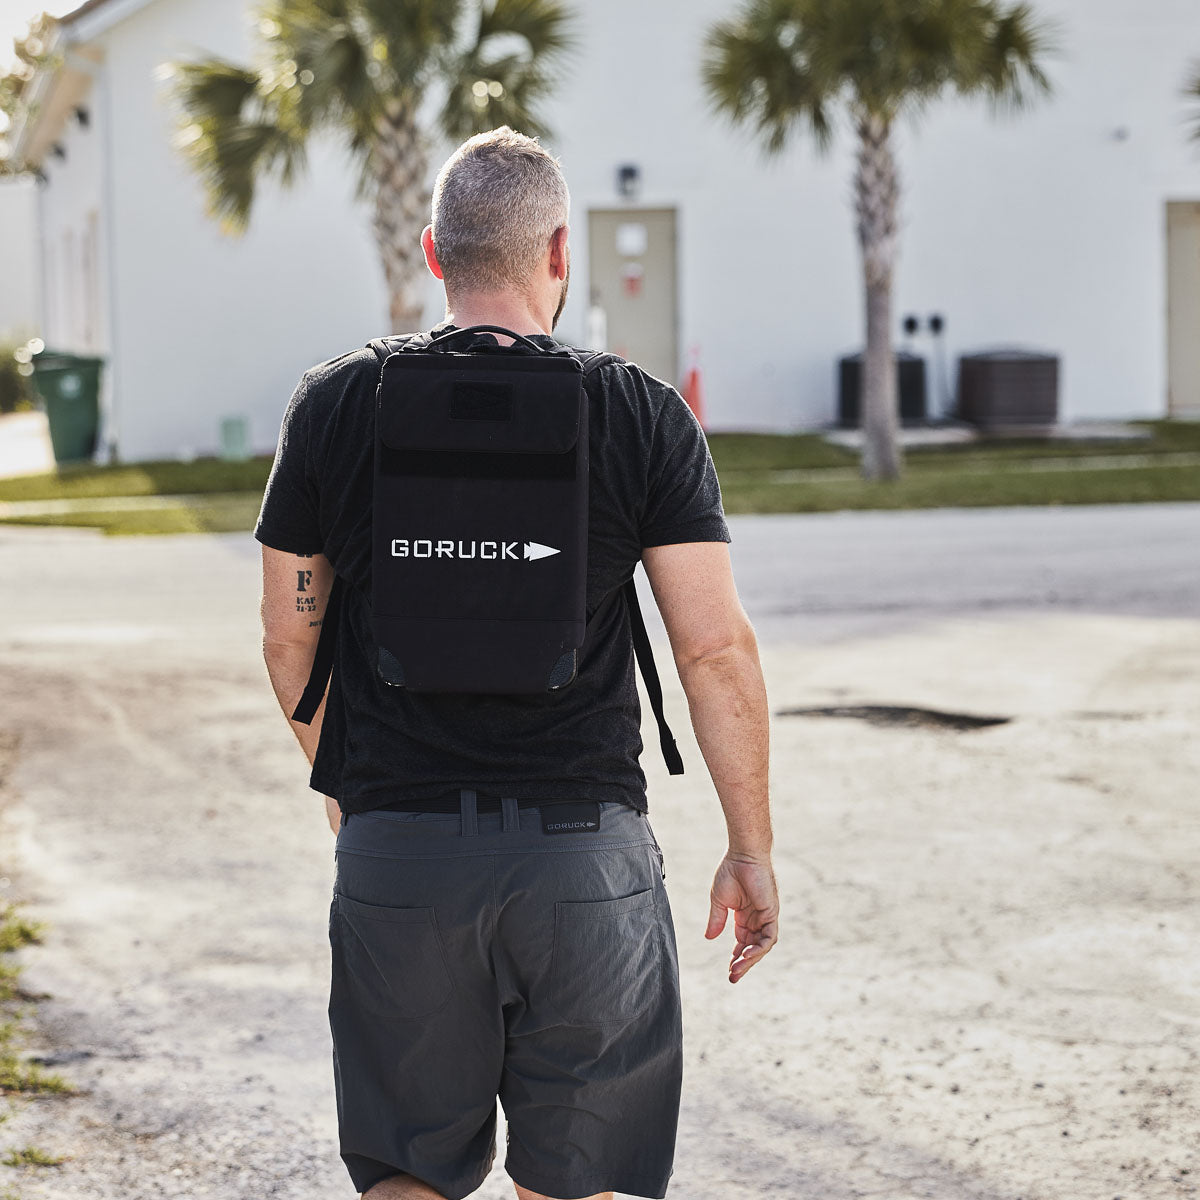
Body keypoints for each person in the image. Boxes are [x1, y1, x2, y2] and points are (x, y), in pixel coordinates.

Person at [255, 126, 778, 1200]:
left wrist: (350, 782)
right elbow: (713, 646)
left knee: (406, 1171)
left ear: (434, 255)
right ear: (560, 254)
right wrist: (749, 845)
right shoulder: (637, 409)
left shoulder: (337, 403)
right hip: (584, 864)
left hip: (400, 855)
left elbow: (286, 633)